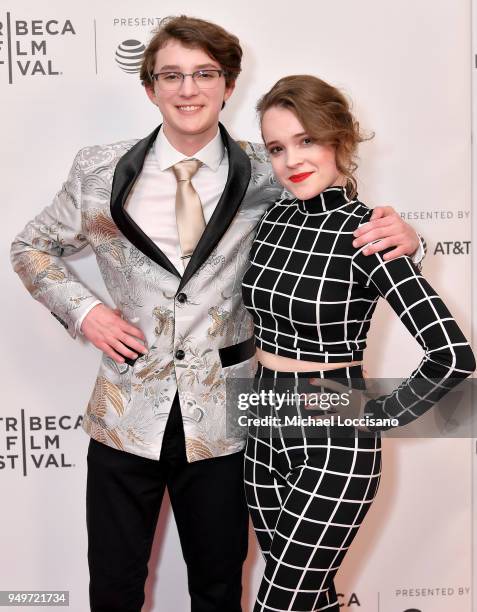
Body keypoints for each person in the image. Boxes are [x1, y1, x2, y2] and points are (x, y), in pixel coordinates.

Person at [10, 16, 423, 612]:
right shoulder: (98, 170)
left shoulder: (271, 168)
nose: (188, 89)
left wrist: (407, 236)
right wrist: (86, 312)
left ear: (228, 84)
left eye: (204, 73)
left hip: (231, 421)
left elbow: (344, 222)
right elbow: (30, 247)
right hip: (125, 412)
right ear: (149, 88)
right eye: (171, 75)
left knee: (218, 586)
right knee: (114, 587)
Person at [241, 74, 476, 612]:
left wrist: (375, 419)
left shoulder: (367, 234)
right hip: (261, 422)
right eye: (277, 147)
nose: (291, 160)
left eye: (307, 141)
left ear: (341, 141)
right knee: (311, 598)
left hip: (333, 441)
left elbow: (451, 355)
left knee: (277, 604)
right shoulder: (271, 217)